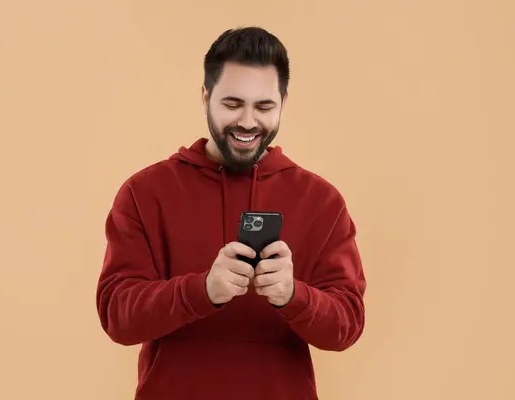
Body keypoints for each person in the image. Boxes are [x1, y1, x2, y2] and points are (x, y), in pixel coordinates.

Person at [95, 26, 366, 400]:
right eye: (233, 103)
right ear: (206, 97)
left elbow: (347, 325)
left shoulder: (322, 202)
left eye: (264, 106)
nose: (248, 122)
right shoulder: (145, 193)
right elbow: (117, 316)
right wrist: (201, 290)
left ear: (284, 102)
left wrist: (294, 296)